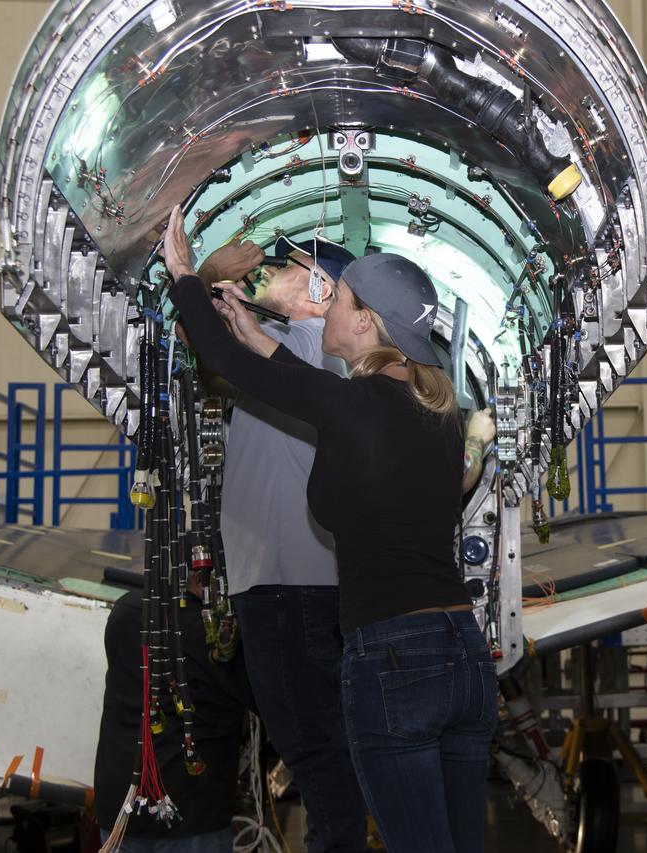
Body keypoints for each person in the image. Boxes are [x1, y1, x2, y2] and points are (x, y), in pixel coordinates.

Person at [164, 206, 498, 853]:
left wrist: (184, 272)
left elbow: (241, 366)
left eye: (339, 297)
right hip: (462, 651)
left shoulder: (350, 407)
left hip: (394, 655)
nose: (326, 303)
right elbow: (297, 382)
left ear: (366, 322)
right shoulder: (438, 412)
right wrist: (253, 334)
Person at [197, 234, 371, 853]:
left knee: (313, 748)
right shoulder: (300, 354)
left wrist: (201, 279)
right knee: (320, 742)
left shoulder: (306, 349)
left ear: (322, 291)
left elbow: (212, 358)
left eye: (287, 266)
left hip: (284, 582)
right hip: (288, 580)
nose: (266, 271)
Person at [93, 570, 254, 852]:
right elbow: (265, 697)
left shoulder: (126, 610)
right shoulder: (213, 636)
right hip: (190, 817)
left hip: (120, 810)